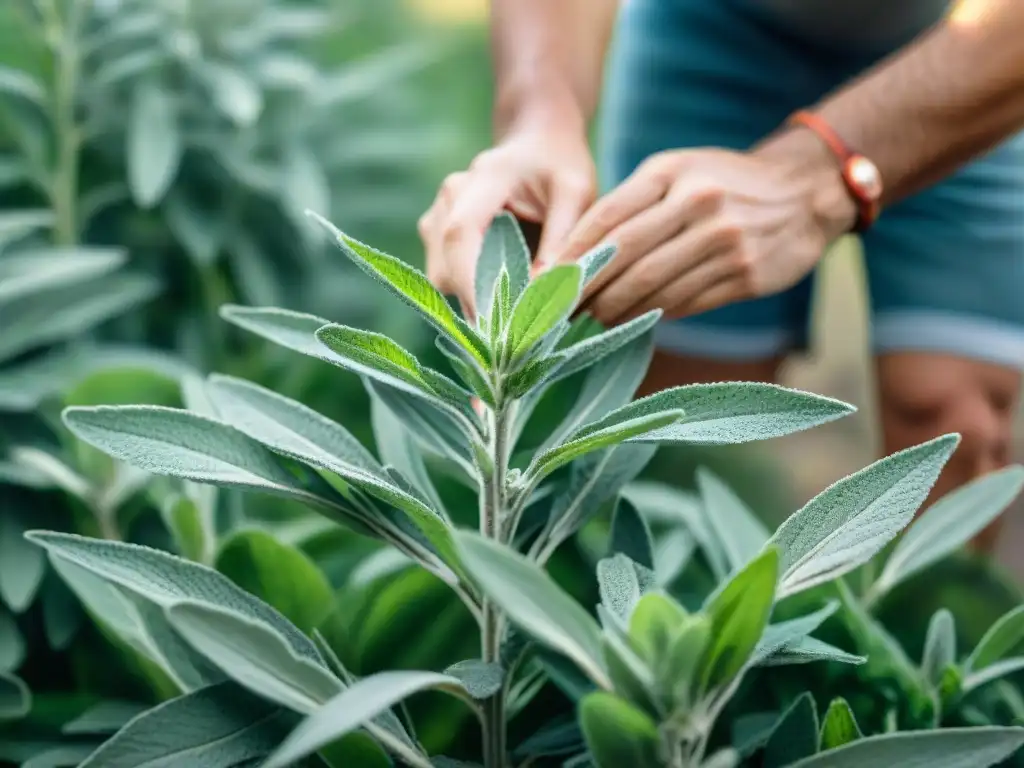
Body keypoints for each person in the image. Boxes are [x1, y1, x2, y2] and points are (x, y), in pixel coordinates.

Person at [418, 0, 1024, 548]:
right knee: (679, 428)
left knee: (953, 419)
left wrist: (816, 176)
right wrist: (538, 117)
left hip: (966, 43)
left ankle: (909, 662)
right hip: (712, 24)